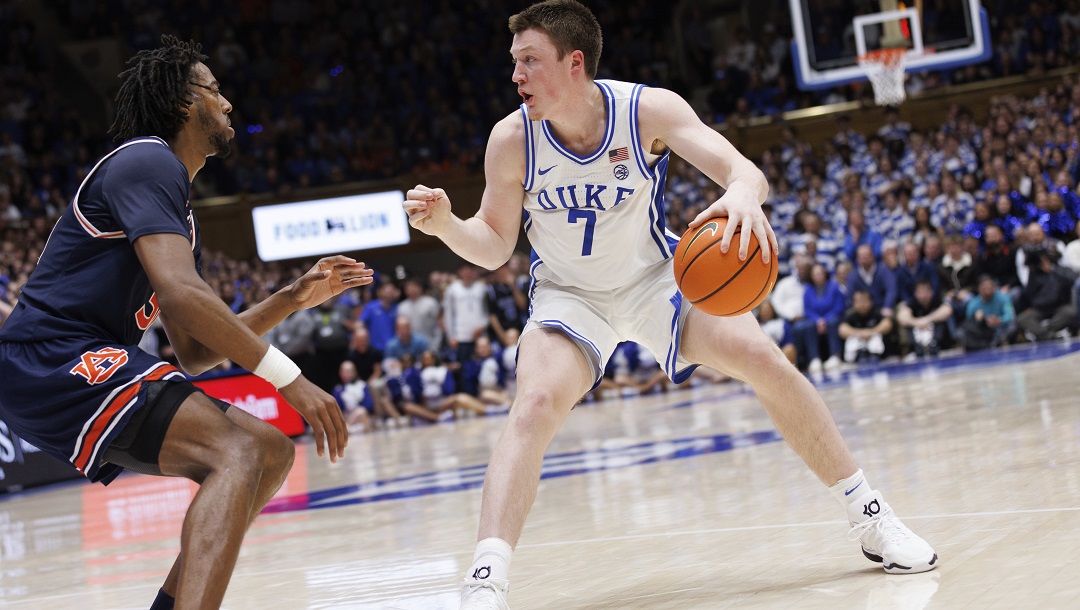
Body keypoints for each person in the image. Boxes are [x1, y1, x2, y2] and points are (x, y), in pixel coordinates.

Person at [403, 3, 936, 608]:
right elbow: (496, 242)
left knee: (764, 359)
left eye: (529, 60)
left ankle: (872, 518)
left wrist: (744, 193)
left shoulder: (646, 110)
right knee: (533, 406)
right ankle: (485, 580)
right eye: (514, 61)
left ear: (574, 63)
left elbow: (742, 170)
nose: (516, 74)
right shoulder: (511, 139)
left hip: (658, 279)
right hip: (569, 296)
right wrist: (448, 226)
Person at [0, 37, 372, 610]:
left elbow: (195, 352)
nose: (228, 102)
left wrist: (291, 298)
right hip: (52, 354)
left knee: (269, 451)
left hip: (66, 361)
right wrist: (289, 379)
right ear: (182, 102)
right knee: (237, 452)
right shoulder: (147, 160)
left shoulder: (176, 210)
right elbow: (181, 291)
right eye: (214, 89)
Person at [839, 289, 894, 363]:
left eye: (864, 301)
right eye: (858, 301)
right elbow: (842, 329)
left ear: (870, 301)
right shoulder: (850, 314)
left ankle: (875, 355)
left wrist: (871, 332)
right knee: (852, 341)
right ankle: (859, 355)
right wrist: (860, 333)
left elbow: (887, 323)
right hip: (857, 339)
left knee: (876, 339)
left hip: (872, 337)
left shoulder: (876, 312)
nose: (862, 304)